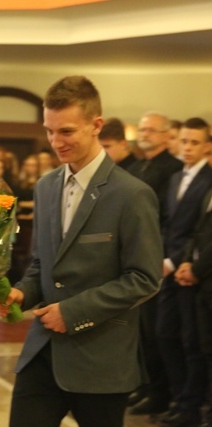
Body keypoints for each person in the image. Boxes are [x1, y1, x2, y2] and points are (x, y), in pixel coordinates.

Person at [0, 76, 162, 427]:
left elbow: (145, 278)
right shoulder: (46, 186)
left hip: (100, 358)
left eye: (66, 131)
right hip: (42, 353)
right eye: (49, 131)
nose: (56, 142)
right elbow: (43, 262)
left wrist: (72, 312)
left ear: (96, 125)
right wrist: (21, 294)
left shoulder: (131, 194)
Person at [155, 117, 212, 427]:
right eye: (184, 141)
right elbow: (169, 223)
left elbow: (198, 231)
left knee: (192, 341)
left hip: (190, 269)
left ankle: (190, 405)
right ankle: (179, 397)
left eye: (194, 142)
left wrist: (178, 262)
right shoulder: (176, 178)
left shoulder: (209, 180)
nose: (187, 147)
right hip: (169, 266)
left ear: (206, 146)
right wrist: (162, 257)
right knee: (164, 334)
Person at [126, 111, 183, 417]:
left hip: (156, 256)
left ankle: (160, 392)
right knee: (141, 332)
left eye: (150, 130)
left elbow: (163, 217)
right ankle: (145, 386)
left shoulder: (172, 169)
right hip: (132, 254)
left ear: (165, 135)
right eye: (142, 129)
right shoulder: (137, 166)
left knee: (157, 332)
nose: (144, 133)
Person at [175, 185, 212, 427]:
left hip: (206, 277)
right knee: (201, 348)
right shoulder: (208, 190)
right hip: (202, 283)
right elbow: (197, 232)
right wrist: (187, 261)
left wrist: (196, 270)